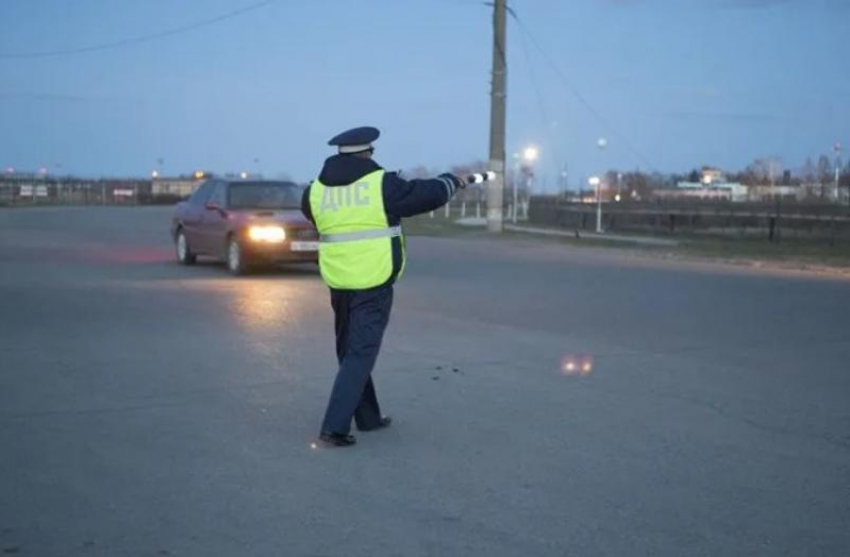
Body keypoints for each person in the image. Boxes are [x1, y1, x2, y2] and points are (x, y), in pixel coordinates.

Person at [301, 126, 465, 447]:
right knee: (361, 351)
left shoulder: (315, 190)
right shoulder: (381, 185)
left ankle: (368, 417)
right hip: (372, 279)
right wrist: (451, 181)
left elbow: (314, 216)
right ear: (368, 153)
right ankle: (334, 426)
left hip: (339, 279)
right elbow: (426, 194)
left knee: (350, 349)